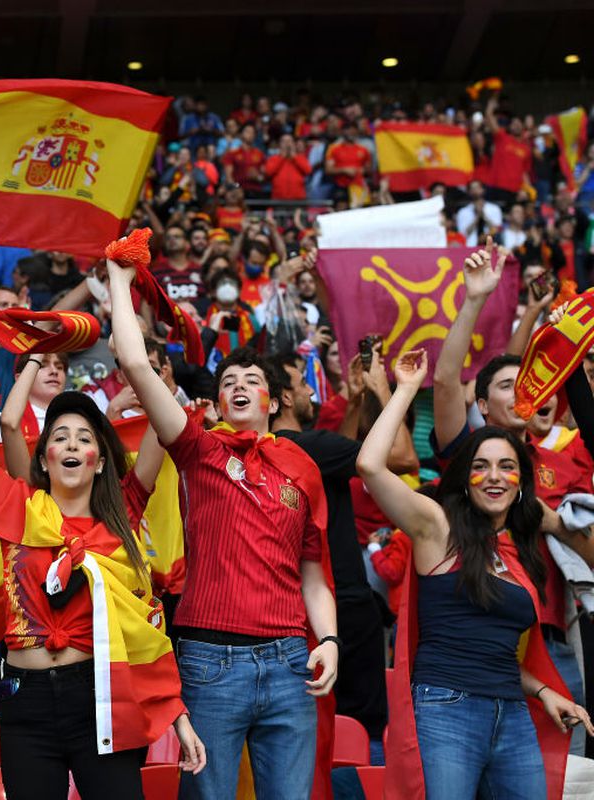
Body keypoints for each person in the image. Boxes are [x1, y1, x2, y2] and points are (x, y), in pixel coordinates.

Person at [106, 251, 337, 800]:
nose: (237, 385)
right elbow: (139, 368)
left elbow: (313, 573)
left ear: (274, 398)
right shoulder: (197, 447)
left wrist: (327, 639)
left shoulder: (302, 467)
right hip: (211, 663)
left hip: (289, 662)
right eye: (227, 378)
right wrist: (120, 281)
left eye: (251, 379)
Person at [0, 375, 204, 798]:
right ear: (44, 458)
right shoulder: (16, 510)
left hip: (101, 699)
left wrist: (179, 717)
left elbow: (146, 637)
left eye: (85, 438)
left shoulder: (122, 519)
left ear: (100, 460)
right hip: (26, 704)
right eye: (61, 437)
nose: (74, 445)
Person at [357, 349, 593, 798]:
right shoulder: (436, 528)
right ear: (465, 479)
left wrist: (543, 690)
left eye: (507, 467)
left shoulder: (519, 549)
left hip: (513, 714)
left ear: (522, 481)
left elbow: (497, 651)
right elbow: (370, 466)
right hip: (447, 709)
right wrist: (405, 389)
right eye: (480, 467)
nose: (494, 477)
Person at [268, 352, 418, 753]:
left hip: (292, 611)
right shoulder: (310, 445)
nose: (308, 390)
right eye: (301, 383)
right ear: (282, 397)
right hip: (344, 604)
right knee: (364, 732)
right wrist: (384, 388)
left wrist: (353, 403)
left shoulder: (278, 451)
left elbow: (341, 456)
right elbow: (402, 457)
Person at [0, 353, 67, 443]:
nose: (54, 371)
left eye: (59, 367)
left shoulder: (77, 420)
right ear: (21, 378)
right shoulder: (2, 425)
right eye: (42, 366)